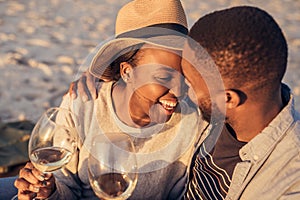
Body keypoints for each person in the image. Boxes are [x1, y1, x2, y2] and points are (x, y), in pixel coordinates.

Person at [70, 5, 300, 200]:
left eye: (189, 82)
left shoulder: (288, 182)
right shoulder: (222, 116)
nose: (183, 94)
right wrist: (111, 77)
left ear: (227, 98)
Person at [13, 0, 203, 199]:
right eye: (163, 77)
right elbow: (65, 185)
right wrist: (47, 191)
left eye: (185, 75)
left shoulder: (192, 123)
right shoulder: (83, 104)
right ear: (127, 72)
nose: (179, 89)